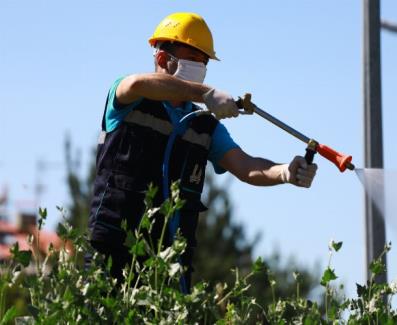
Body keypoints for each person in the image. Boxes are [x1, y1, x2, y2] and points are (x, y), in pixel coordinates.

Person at [87, 12, 318, 292]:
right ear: (162, 59)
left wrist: (284, 172)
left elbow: (246, 166)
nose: (200, 68)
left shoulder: (203, 125)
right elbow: (137, 84)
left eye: (203, 63)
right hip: (114, 251)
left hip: (170, 264)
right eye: (193, 60)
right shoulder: (127, 98)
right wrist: (205, 92)